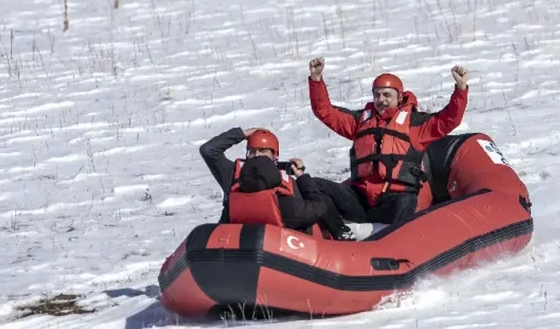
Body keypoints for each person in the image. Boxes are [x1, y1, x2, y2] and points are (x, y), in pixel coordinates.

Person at [307, 57, 469, 225]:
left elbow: (449, 119)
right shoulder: (359, 121)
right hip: (361, 200)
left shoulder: (415, 124)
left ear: (399, 97)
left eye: (387, 95)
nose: (381, 99)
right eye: (377, 95)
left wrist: (461, 89)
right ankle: (337, 231)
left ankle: (400, 245)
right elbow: (324, 111)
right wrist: (316, 80)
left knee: (406, 201)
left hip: (394, 201)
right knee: (316, 185)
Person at [199, 126, 355, 240]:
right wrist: (242, 134)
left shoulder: (287, 181)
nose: (256, 156)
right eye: (252, 151)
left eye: (262, 151)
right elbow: (208, 150)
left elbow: (307, 211)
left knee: (319, 192)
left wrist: (302, 178)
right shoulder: (232, 173)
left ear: (275, 156)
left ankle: (341, 232)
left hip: (279, 245)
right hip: (241, 241)